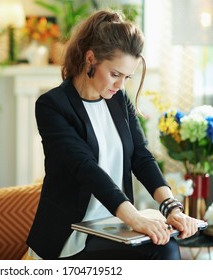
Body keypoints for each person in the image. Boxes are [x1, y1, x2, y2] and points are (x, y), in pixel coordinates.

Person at [26, 10, 199, 260]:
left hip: (114, 226)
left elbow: (141, 156)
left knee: (166, 246)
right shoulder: (52, 105)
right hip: (72, 235)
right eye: (115, 74)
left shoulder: (118, 100)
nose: (120, 85)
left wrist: (172, 207)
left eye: (127, 77)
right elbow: (86, 168)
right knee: (164, 252)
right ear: (90, 59)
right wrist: (136, 218)